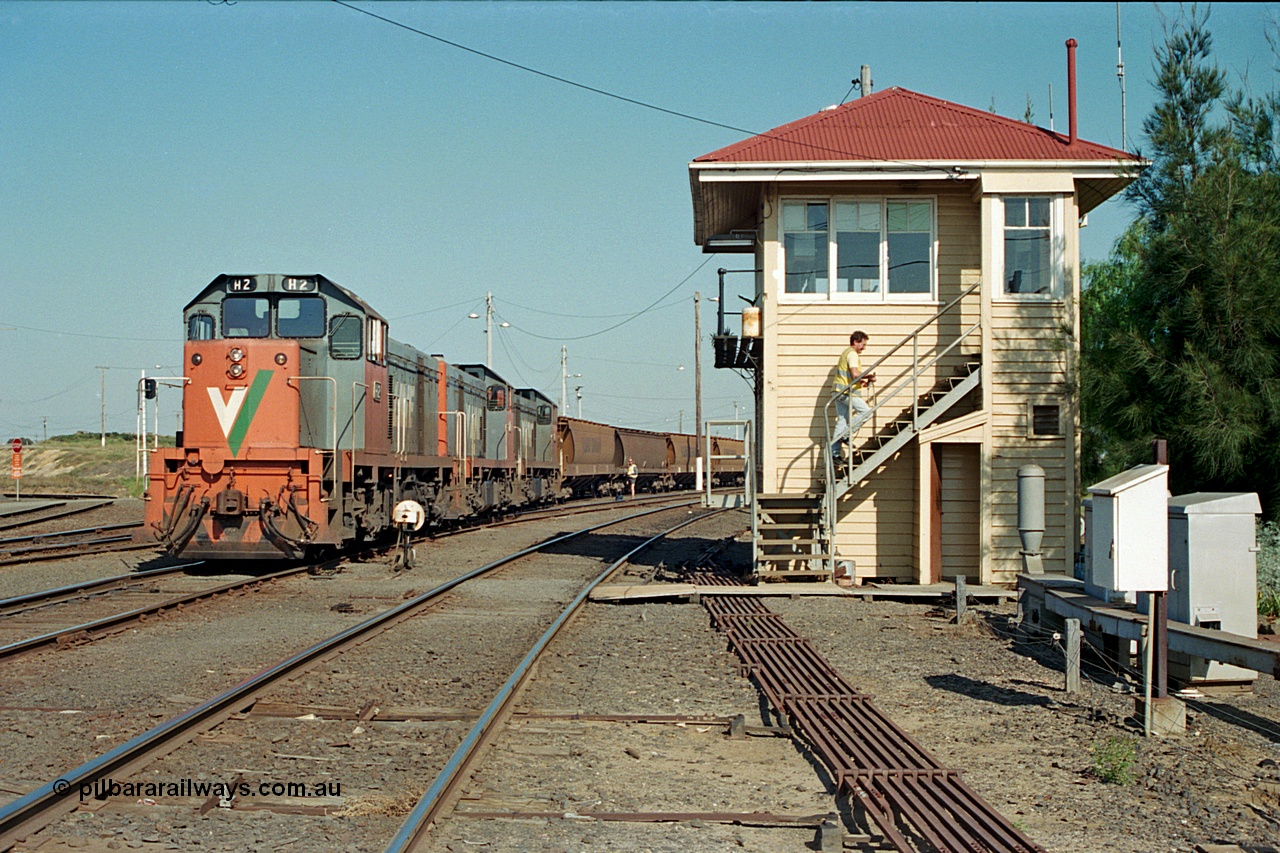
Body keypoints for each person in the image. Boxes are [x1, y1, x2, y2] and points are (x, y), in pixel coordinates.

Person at [830, 331, 874, 467]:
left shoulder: (846, 353)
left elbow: (850, 376)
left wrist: (862, 382)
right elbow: (855, 373)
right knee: (867, 412)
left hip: (838, 391)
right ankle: (846, 435)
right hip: (846, 392)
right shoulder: (852, 354)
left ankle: (835, 455)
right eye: (863, 344)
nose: (864, 348)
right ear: (856, 341)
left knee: (842, 420)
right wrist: (869, 376)